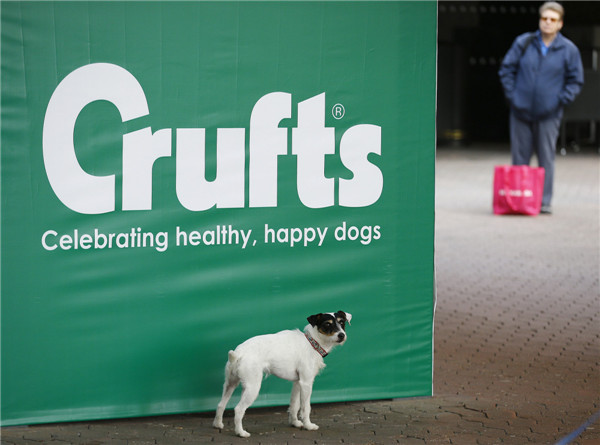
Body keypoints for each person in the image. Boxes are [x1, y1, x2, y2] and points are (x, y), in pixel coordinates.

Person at [498, 1, 584, 214]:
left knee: (546, 158)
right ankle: (518, 199)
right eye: (544, 18)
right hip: (520, 111)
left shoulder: (568, 50)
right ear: (539, 20)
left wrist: (560, 100)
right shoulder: (524, 42)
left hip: (549, 114)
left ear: (560, 24)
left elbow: (576, 80)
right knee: (520, 158)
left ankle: (543, 202)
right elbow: (506, 70)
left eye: (552, 20)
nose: (547, 22)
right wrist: (513, 97)